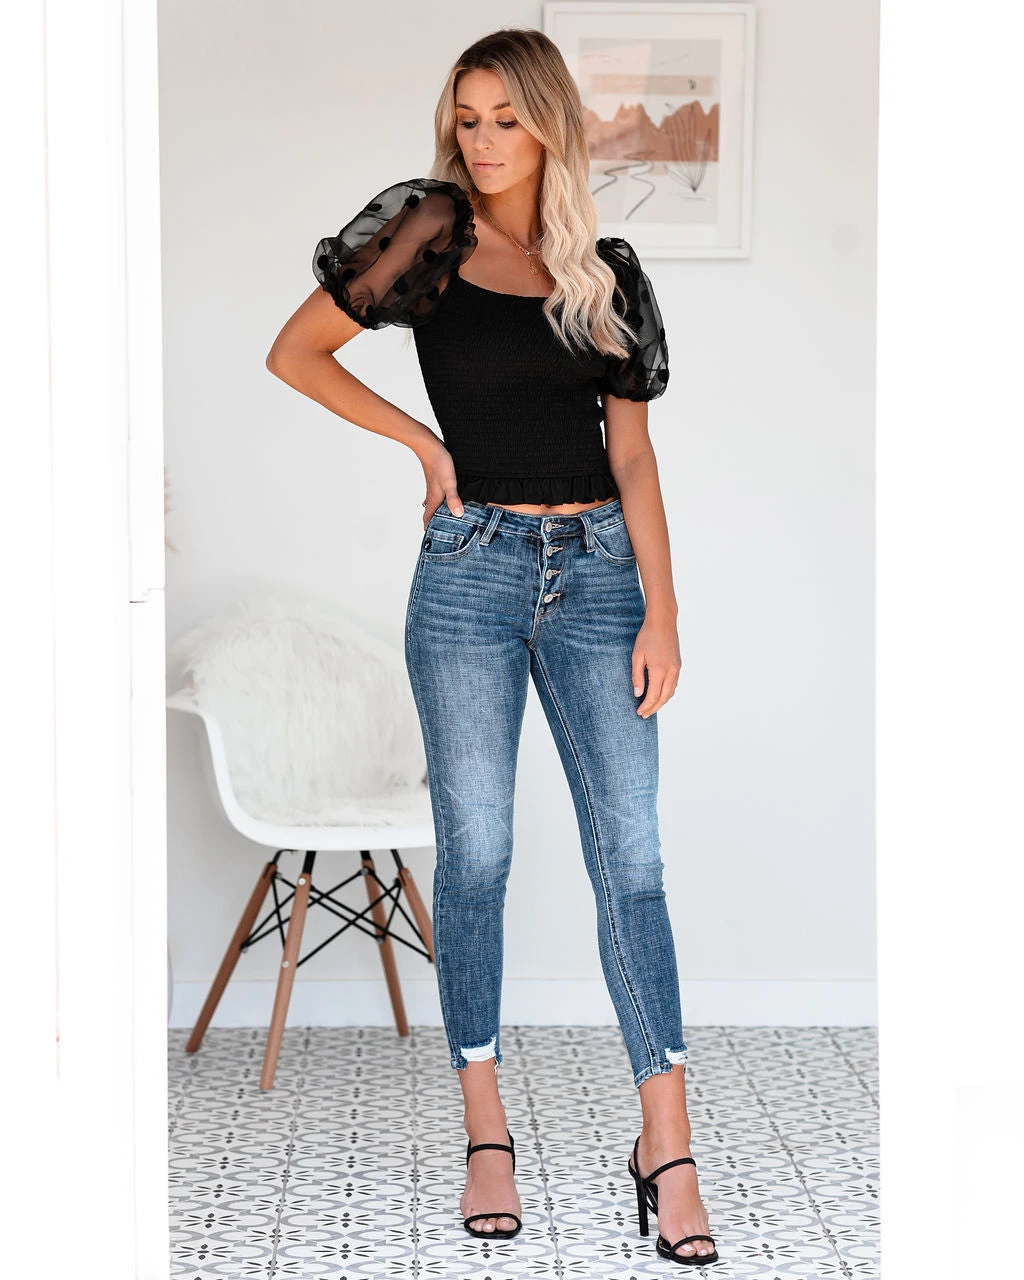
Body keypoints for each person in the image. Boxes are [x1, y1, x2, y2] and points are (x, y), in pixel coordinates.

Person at [266, 25, 718, 1268]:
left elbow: (634, 455)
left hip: (601, 579)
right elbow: (295, 352)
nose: (482, 139)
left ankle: (667, 1143)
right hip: (469, 574)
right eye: (467, 118)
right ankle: (485, 1130)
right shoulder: (426, 233)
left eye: (506, 118)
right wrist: (424, 444)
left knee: (632, 858)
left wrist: (664, 610)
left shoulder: (603, 271)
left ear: (551, 124)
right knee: (476, 855)